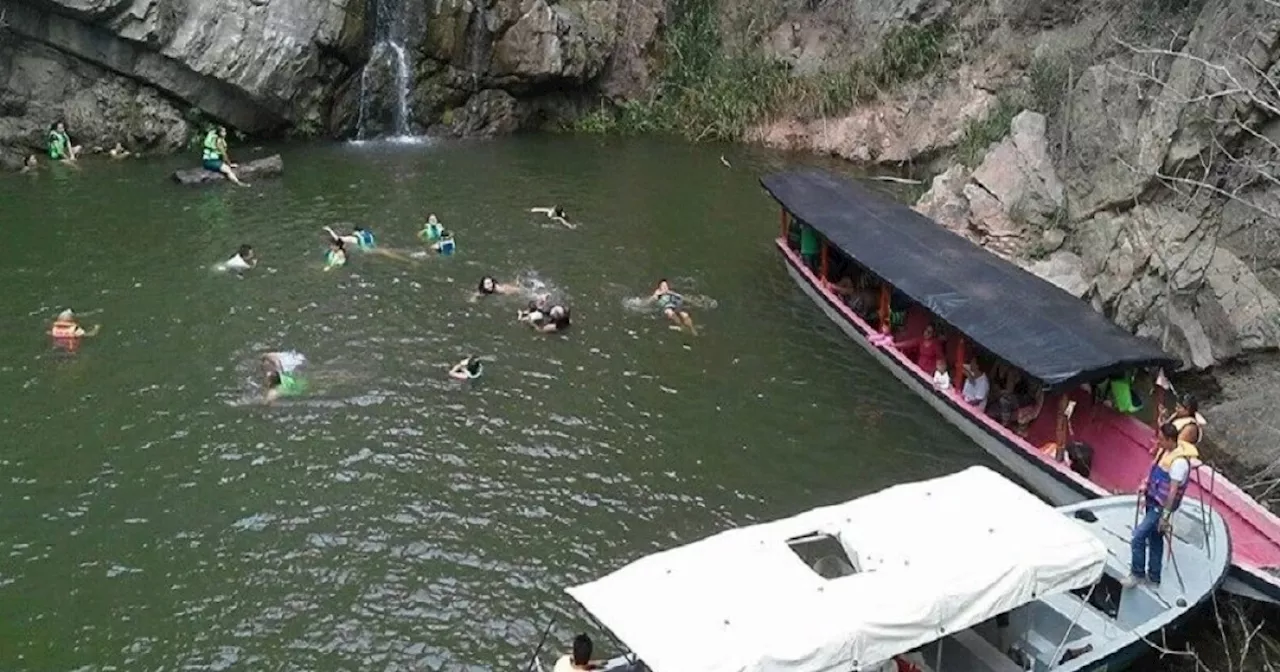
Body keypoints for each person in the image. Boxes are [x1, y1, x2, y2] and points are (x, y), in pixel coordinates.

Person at [1125, 422, 1198, 587]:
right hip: (1152, 499)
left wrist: (1165, 517)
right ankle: (1154, 576)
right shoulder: (1164, 452)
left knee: (1138, 536)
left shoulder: (1179, 463)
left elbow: (1172, 491)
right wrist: (1145, 485)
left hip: (1161, 506)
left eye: (1162, 440)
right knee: (1155, 538)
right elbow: (1153, 472)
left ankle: (1137, 573)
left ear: (1171, 440)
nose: (1159, 442)